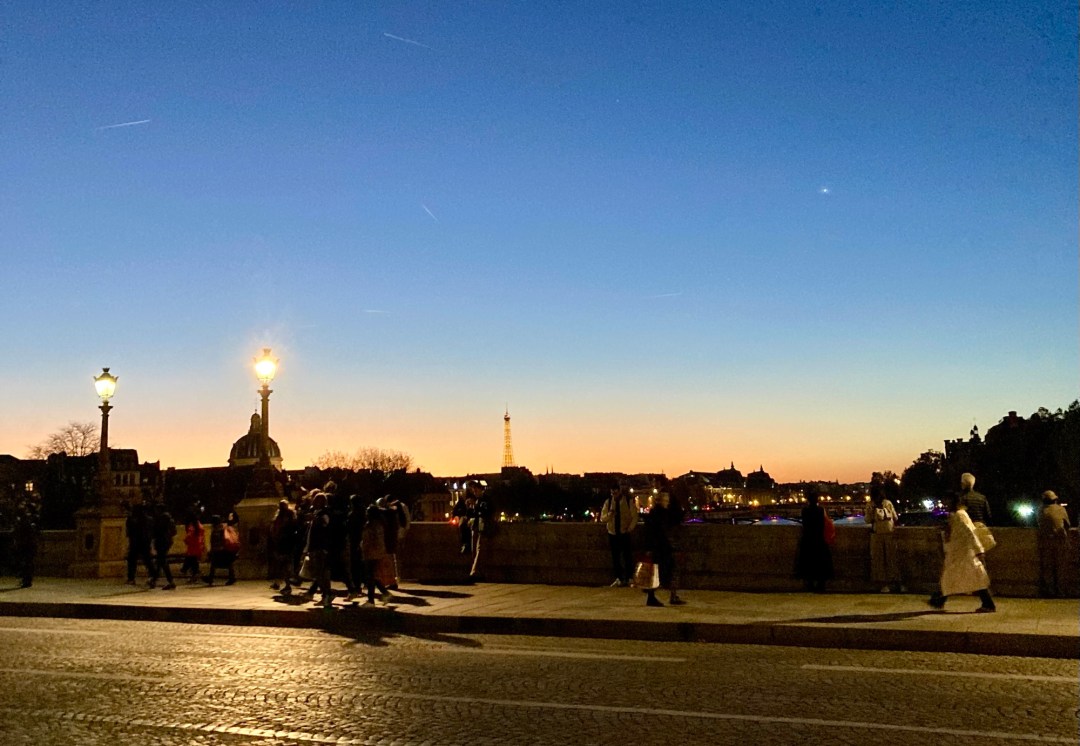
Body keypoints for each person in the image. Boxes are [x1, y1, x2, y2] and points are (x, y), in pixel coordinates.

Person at [928, 495, 996, 612]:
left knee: (961, 577)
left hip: (963, 552)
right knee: (961, 577)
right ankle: (939, 600)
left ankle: (939, 600)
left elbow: (970, 533)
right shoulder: (957, 515)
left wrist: (978, 549)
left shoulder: (960, 515)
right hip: (960, 552)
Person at [642, 492, 685, 607]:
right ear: (661, 501)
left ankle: (654, 596)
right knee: (661, 571)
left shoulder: (656, 513)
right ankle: (656, 596)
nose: (667, 502)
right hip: (660, 547)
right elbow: (655, 532)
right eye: (666, 500)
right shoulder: (661, 514)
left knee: (658, 572)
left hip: (659, 547)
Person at [865, 483, 902, 592]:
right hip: (889, 533)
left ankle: (882, 584)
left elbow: (867, 520)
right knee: (892, 559)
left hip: (877, 534)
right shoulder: (888, 503)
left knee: (878, 560)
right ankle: (894, 582)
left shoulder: (870, 505)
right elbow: (895, 517)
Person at [796, 488, 833, 593]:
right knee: (821, 563)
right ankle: (821, 585)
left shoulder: (805, 511)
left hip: (808, 539)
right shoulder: (820, 510)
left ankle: (810, 584)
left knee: (808, 562)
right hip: (819, 538)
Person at [600, 485, 638, 587]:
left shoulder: (628, 501)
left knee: (627, 556)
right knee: (615, 557)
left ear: (620, 491)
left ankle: (629, 578)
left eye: (615, 493)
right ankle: (619, 578)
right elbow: (602, 518)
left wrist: (630, 528)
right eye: (612, 493)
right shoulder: (608, 502)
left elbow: (634, 516)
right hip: (613, 533)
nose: (614, 495)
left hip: (624, 532)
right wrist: (610, 514)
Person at [1037, 490, 1071, 598]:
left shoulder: (1040, 510)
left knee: (1048, 568)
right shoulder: (1061, 509)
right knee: (1061, 567)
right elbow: (1067, 524)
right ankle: (1061, 591)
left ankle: (1049, 591)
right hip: (1060, 541)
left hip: (1045, 541)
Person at [302, 492, 333, 608]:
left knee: (319, 574)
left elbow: (325, 525)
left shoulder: (324, 513)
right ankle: (326, 596)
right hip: (315, 547)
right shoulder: (317, 513)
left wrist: (315, 519)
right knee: (321, 574)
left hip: (319, 547)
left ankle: (328, 594)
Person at [360, 503, 392, 604]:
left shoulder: (372, 525)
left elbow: (372, 540)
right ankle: (383, 593)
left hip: (371, 553)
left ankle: (372, 600)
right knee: (372, 576)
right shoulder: (377, 524)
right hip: (374, 552)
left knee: (370, 577)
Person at [377, 495, 411, 590]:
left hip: (393, 537)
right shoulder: (400, 507)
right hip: (398, 535)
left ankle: (393, 581)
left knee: (392, 560)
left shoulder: (391, 511)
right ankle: (396, 579)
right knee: (395, 559)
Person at [269, 499, 298, 595]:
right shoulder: (285, 516)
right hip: (283, 542)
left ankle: (286, 584)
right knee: (282, 564)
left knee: (284, 564)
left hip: (285, 543)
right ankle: (281, 583)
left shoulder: (286, 516)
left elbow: (279, 529)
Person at [12, 495, 40, 589]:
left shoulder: (25, 518)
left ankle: (26, 580)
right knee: (27, 561)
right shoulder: (29, 518)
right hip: (28, 542)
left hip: (26, 543)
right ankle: (26, 579)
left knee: (26, 562)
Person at [125, 503, 156, 585]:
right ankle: (153, 575)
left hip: (136, 542)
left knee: (132, 560)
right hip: (145, 542)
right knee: (147, 560)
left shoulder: (132, 520)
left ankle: (131, 578)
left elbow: (129, 532)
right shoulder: (149, 519)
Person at [203, 514, 238, 586]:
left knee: (215, 564)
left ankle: (211, 578)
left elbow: (216, 541)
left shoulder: (217, 530)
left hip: (220, 550)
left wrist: (212, 550)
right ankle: (231, 577)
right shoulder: (223, 528)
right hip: (225, 550)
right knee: (226, 563)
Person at [468, 483, 493, 579]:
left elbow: (487, 512)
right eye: (474, 491)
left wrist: (476, 507)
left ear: (481, 490)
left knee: (479, 550)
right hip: (476, 527)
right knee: (474, 551)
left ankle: (474, 572)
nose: (475, 493)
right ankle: (479, 573)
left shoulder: (486, 500)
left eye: (476, 491)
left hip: (482, 527)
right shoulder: (478, 500)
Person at [150, 505, 177, 590]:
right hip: (168, 541)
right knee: (160, 561)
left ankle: (170, 581)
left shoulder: (160, 519)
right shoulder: (170, 519)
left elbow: (155, 531)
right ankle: (154, 580)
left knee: (162, 561)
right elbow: (174, 531)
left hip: (161, 541)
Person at [180, 509, 204, 584]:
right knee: (194, 561)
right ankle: (194, 574)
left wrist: (186, 540)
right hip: (198, 545)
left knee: (190, 560)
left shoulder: (192, 526)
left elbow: (189, 536)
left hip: (192, 546)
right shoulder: (199, 525)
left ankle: (188, 570)